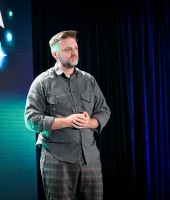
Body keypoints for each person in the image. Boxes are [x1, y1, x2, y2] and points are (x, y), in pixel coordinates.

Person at [24, 30, 111, 200]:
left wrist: (91, 122)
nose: (74, 52)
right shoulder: (42, 82)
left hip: (90, 159)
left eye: (75, 48)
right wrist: (65, 121)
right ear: (55, 54)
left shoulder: (89, 80)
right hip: (57, 160)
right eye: (67, 49)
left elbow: (104, 111)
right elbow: (30, 119)